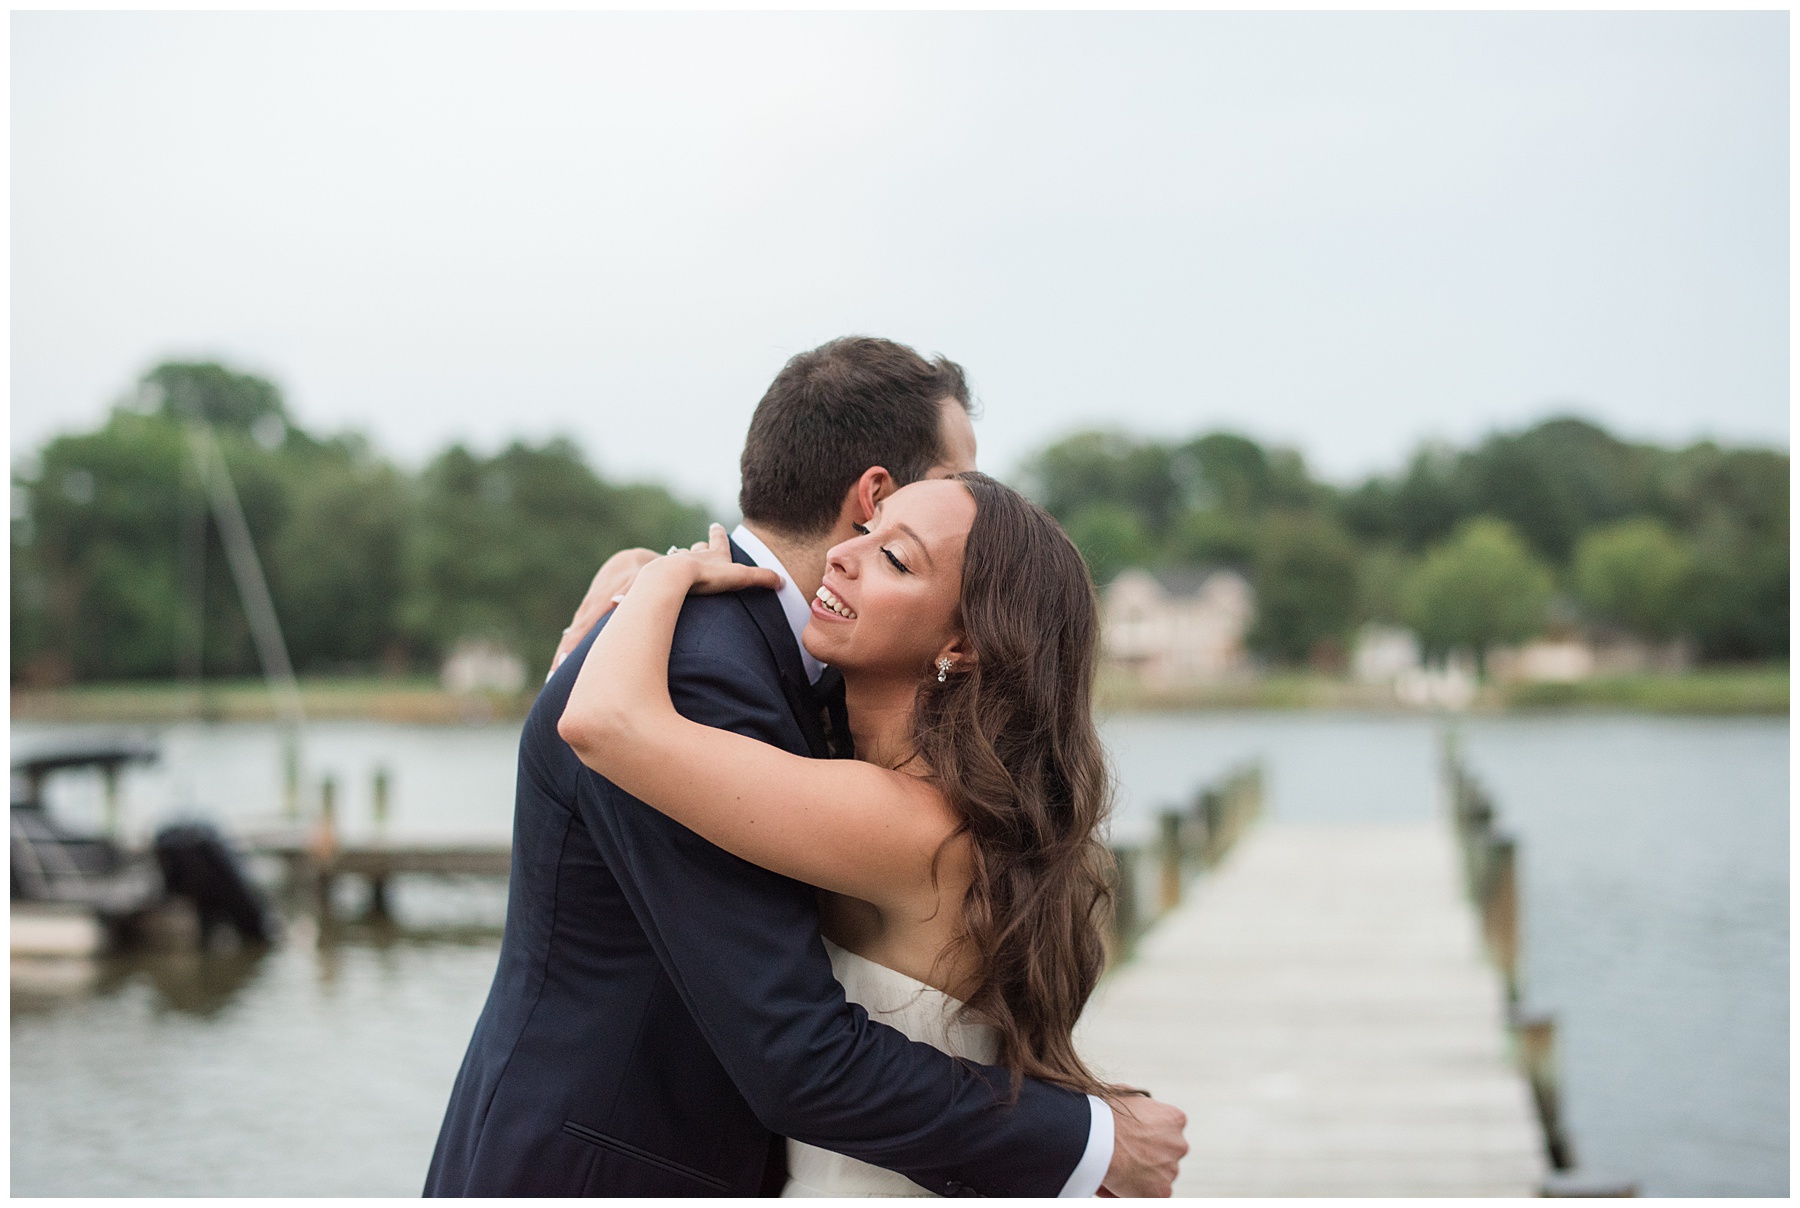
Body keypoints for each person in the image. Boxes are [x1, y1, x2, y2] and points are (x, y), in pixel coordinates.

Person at [424, 337, 1186, 1197]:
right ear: (877, 495)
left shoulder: (821, 703)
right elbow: (793, 1050)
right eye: (949, 484)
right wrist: (1084, 1144)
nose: (975, 498)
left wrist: (648, 580)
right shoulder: (698, 668)